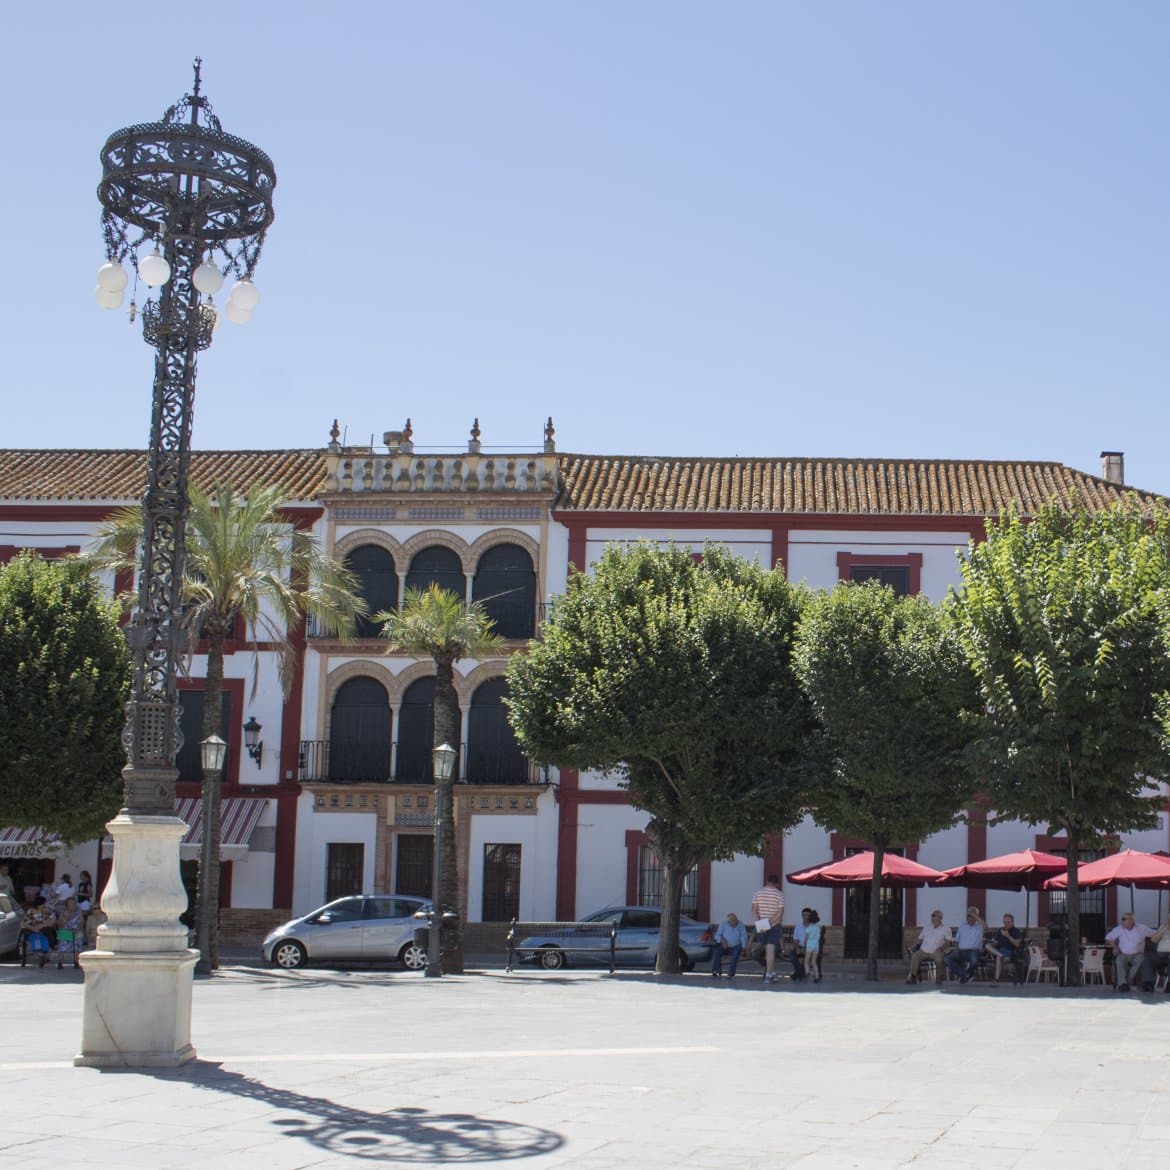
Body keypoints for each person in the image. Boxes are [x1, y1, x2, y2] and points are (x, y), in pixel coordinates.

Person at [1106, 911, 1156, 992]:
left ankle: (1126, 983)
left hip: (1137, 954)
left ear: (1131, 920)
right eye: (1122, 919)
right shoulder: (1119, 929)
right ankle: (1122, 984)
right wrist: (1115, 947)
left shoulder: (1141, 928)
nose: (1123, 921)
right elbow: (1108, 938)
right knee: (1119, 960)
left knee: (1141, 960)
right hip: (1123, 954)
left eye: (1125, 919)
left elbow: (1155, 934)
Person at [751, 874, 785, 984]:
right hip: (774, 925)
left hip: (761, 924)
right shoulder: (779, 894)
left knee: (767, 950)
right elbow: (780, 913)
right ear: (777, 883)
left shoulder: (757, 893)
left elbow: (754, 910)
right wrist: (769, 923)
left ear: (766, 881)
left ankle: (772, 972)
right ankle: (768, 974)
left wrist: (761, 924)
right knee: (770, 949)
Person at [907, 910, 952, 984]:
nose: (933, 918)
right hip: (924, 950)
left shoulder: (946, 928)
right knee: (915, 956)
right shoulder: (927, 927)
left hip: (936, 950)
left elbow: (948, 942)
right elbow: (919, 939)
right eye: (932, 916)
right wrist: (912, 946)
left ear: (940, 918)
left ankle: (938, 977)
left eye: (934, 916)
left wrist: (942, 948)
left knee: (939, 959)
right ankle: (913, 976)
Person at [944, 907, 984, 984]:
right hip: (961, 951)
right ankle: (965, 974)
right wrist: (956, 948)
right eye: (969, 916)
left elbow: (985, 925)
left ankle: (966, 975)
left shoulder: (980, 926)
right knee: (947, 959)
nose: (970, 918)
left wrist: (974, 915)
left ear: (976, 917)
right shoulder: (962, 926)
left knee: (974, 960)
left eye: (972, 916)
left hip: (974, 951)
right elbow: (957, 940)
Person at [984, 912, 1024, 981]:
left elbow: (1017, 944)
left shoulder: (1016, 931)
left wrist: (1008, 936)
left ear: (1012, 922)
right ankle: (1000, 955)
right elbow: (996, 942)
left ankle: (996, 979)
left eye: (1008, 922)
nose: (1006, 924)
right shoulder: (1000, 930)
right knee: (987, 945)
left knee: (999, 957)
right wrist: (993, 943)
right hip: (998, 951)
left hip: (1009, 953)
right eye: (1005, 922)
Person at [710, 911, 748, 977]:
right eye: (732, 922)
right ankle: (715, 970)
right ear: (728, 922)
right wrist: (722, 940)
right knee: (717, 951)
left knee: (735, 953)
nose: (734, 923)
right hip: (724, 946)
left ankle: (731, 972)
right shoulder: (723, 924)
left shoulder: (741, 924)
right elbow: (717, 935)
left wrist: (743, 947)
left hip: (736, 946)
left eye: (735, 921)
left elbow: (743, 936)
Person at [21, 895, 56, 965]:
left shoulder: (47, 911)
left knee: (43, 936)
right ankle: (41, 954)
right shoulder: (30, 911)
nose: (44, 905)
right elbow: (24, 923)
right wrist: (33, 928)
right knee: (35, 937)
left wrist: (43, 925)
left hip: (44, 930)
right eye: (43, 904)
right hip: (32, 930)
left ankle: (43, 954)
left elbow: (53, 920)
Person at [790, 908, 813, 981]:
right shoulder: (798, 926)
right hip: (800, 947)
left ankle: (797, 974)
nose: (806, 917)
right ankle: (800, 973)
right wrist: (797, 948)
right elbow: (795, 940)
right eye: (804, 915)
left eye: (808, 915)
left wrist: (805, 949)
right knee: (792, 953)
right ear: (802, 916)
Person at [803, 910, 822, 983]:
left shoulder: (809, 928)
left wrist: (804, 944)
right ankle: (816, 977)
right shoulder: (818, 927)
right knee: (814, 962)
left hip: (809, 946)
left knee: (806, 962)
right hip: (816, 946)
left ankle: (807, 972)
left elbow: (806, 938)